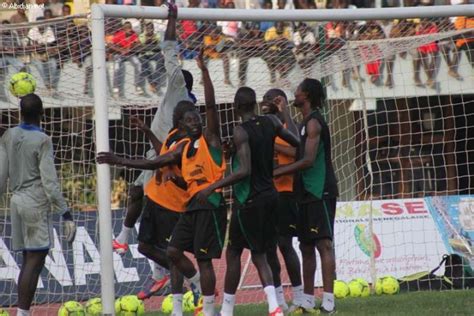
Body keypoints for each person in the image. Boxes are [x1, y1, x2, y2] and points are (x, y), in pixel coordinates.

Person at [98, 51, 226, 316]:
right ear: (179, 123)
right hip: (175, 203)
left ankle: (205, 303)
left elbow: (155, 162)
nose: (196, 122)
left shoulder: (206, 141)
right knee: (170, 251)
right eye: (190, 119)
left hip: (201, 205)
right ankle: (195, 293)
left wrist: (204, 72)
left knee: (199, 258)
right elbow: (159, 156)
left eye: (197, 119)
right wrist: (146, 131)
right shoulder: (176, 140)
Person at [111, 2, 196, 299]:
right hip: (157, 157)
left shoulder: (177, 86)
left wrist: (172, 18)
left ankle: (189, 281)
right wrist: (147, 131)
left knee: (156, 240)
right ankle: (126, 242)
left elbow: (169, 49)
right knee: (137, 199)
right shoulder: (184, 103)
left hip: (166, 167)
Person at [199, 87, 299, 316]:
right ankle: (269, 306)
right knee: (260, 251)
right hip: (272, 196)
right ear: (254, 104)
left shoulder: (240, 131)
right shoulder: (272, 122)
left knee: (240, 253)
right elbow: (295, 143)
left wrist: (213, 186)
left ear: (236, 107)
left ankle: (266, 307)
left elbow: (244, 170)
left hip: (249, 200)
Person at [0, 94, 76, 316]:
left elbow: (1, 174)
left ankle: (23, 312)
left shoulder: (8, 135)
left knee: (28, 258)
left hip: (16, 200)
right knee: (34, 260)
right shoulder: (42, 139)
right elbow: (50, 182)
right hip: (34, 201)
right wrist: (65, 212)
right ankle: (22, 313)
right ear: (42, 113)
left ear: (20, 112)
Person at [274, 79, 338, 314]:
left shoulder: (314, 123)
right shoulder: (304, 123)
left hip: (320, 190)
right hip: (305, 192)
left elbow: (307, 159)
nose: (295, 93)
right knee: (306, 246)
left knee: (323, 244)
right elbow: (298, 149)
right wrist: (284, 116)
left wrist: (277, 171)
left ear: (307, 95)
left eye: (298, 90)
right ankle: (307, 301)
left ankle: (329, 302)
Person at [260, 89, 304, 312]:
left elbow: (298, 151)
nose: (266, 103)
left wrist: (272, 144)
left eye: (272, 99)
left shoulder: (288, 126)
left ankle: (299, 296)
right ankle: (278, 301)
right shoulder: (261, 126)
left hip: (286, 193)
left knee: (285, 245)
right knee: (268, 249)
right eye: (265, 99)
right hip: (265, 194)